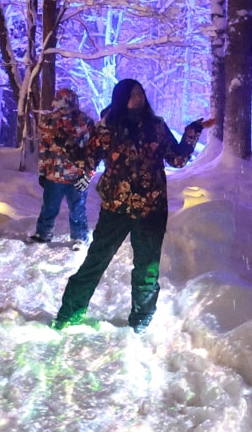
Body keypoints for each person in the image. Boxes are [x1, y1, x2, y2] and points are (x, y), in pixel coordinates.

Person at [52, 78, 212, 333]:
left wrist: (191, 133)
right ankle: (68, 313)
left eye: (140, 93)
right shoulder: (106, 129)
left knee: (147, 270)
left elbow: (177, 159)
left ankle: (141, 321)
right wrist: (65, 139)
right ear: (121, 98)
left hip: (152, 209)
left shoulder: (156, 127)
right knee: (95, 261)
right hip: (117, 207)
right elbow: (87, 160)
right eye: (132, 94)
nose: (138, 97)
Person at [30, 88, 95, 248]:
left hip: (76, 175)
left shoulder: (85, 122)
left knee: (77, 208)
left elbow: (93, 151)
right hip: (54, 174)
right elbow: (44, 149)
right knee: (49, 207)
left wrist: (88, 174)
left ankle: (79, 237)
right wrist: (42, 172)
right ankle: (43, 233)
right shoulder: (48, 121)